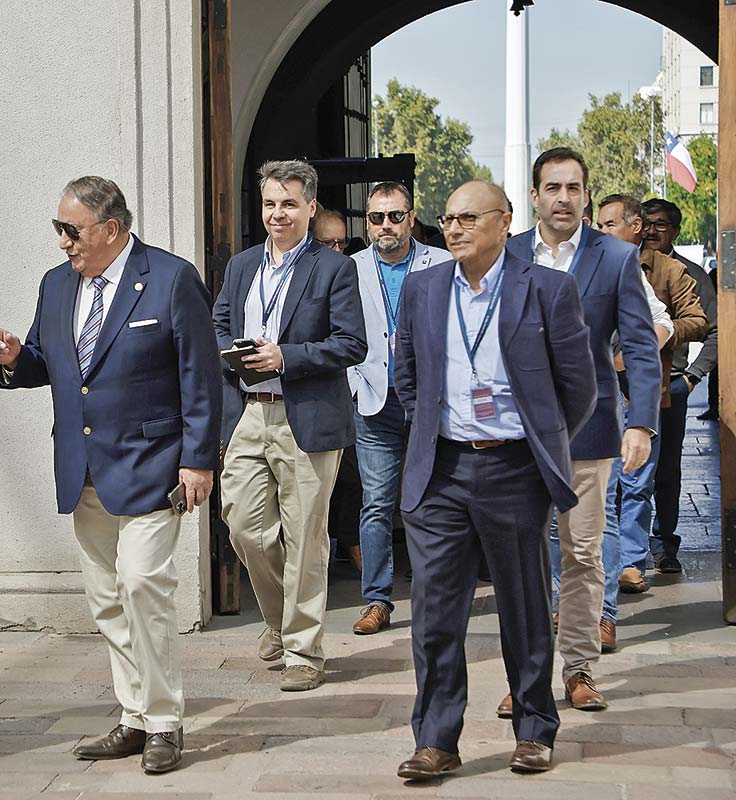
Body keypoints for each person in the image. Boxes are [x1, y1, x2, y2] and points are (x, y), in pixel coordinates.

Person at [0, 176, 221, 775]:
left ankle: (165, 720)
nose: (61, 241)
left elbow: (201, 374)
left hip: (152, 466)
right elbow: (50, 363)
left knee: (143, 586)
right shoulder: (55, 285)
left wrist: (199, 458)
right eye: (57, 229)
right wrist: (17, 360)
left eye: (71, 230)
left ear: (111, 229)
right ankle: (133, 716)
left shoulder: (169, 277)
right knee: (108, 599)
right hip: (82, 468)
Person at [394, 181, 595, 780]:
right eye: (447, 219)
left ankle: (534, 729)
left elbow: (578, 389)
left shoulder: (548, 290)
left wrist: (537, 442)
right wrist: (436, 428)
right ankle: (435, 739)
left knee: (524, 606)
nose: (452, 228)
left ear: (504, 222)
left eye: (467, 218)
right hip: (442, 470)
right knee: (433, 613)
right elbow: (408, 376)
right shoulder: (424, 288)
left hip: (513, 469)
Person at [500, 148, 661, 716]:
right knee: (520, 558)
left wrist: (640, 421)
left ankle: (579, 668)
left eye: (574, 188)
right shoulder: (508, 252)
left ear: (587, 196)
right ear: (536, 194)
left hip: (589, 433)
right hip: (514, 434)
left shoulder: (616, 258)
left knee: (584, 554)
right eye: (553, 187)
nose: (563, 197)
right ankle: (525, 677)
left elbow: (640, 347)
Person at [213, 159, 367, 692]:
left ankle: (304, 648)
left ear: (310, 208)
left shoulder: (333, 268)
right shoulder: (241, 266)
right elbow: (218, 322)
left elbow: (352, 343)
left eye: (289, 204)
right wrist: (228, 353)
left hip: (307, 414)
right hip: (247, 411)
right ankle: (280, 619)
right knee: (244, 526)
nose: (278, 214)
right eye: (270, 204)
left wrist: (287, 357)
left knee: (306, 534)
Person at [346, 181, 450, 635]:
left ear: (411, 218)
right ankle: (377, 599)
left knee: (436, 500)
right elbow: (337, 330)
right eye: (376, 217)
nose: (385, 225)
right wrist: (351, 382)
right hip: (373, 398)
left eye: (394, 216)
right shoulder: (347, 269)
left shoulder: (442, 263)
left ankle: (438, 594)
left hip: (430, 401)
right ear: (366, 222)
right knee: (376, 503)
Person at [596, 195, 706, 614]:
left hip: (651, 389)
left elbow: (697, 320)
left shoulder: (671, 270)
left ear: (634, 228)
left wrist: (647, 346)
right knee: (605, 485)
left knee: (641, 481)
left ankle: (630, 562)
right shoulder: (593, 265)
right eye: (601, 224)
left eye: (610, 225)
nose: (602, 232)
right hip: (601, 393)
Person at [642, 198, 720, 566]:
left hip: (671, 384)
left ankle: (664, 545)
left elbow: (715, 330)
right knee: (621, 473)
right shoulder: (621, 266)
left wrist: (692, 377)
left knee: (667, 470)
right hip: (620, 385)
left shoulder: (688, 274)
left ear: (675, 230)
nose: (652, 231)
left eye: (661, 225)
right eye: (647, 223)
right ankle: (627, 552)